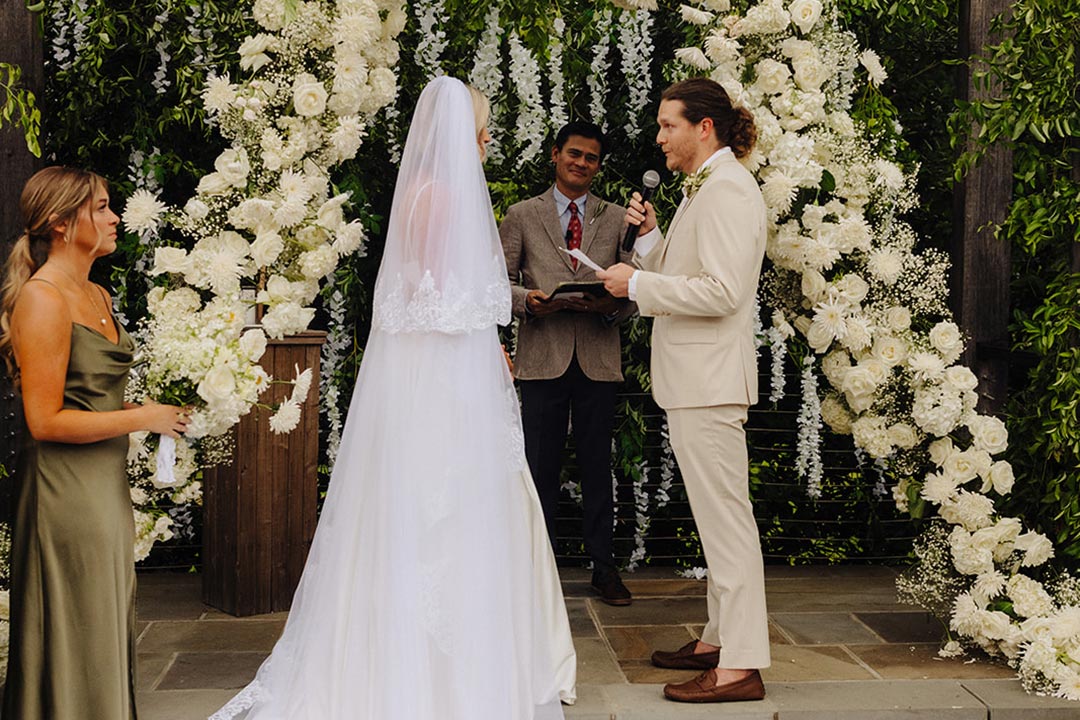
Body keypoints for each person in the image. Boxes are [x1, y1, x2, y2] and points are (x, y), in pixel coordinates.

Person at [210, 77, 575, 720]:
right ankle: (434, 674)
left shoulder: (427, 195)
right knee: (442, 507)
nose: (487, 143)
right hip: (442, 377)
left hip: (434, 368)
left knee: (429, 504)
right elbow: (436, 294)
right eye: (484, 131)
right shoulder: (444, 199)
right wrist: (483, 338)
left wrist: (483, 338)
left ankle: (429, 656)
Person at [597, 78, 771, 703]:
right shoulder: (706, 188)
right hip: (696, 382)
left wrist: (636, 288)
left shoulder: (726, 189)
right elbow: (686, 272)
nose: (660, 136)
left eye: (669, 125)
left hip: (710, 383)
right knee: (716, 520)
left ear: (704, 127)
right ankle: (721, 638)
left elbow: (722, 292)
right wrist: (648, 247)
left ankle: (740, 667)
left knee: (727, 524)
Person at [0, 166, 190, 719]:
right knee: (77, 625)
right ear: (62, 223)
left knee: (104, 621)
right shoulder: (43, 299)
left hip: (104, 488)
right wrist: (142, 418)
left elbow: (91, 401)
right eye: (102, 207)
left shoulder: (96, 293)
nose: (114, 218)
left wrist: (152, 413)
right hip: (65, 494)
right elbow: (44, 419)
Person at [499, 121, 635, 606]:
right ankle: (537, 569)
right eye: (574, 154)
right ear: (555, 154)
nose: (581, 164)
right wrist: (529, 301)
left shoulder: (619, 218)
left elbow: (635, 285)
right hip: (542, 357)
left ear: (599, 166)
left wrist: (614, 305)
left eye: (591, 158)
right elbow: (497, 282)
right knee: (540, 466)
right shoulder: (520, 215)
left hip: (598, 354)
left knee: (599, 465)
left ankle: (605, 568)